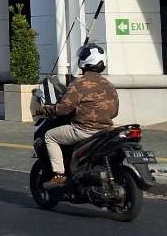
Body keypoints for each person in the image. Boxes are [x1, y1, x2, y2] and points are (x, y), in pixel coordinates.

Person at [38, 42, 118, 188]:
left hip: (83, 131)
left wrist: (47, 109)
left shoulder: (78, 84)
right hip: (105, 132)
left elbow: (63, 109)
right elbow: (114, 112)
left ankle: (59, 174)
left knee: (49, 136)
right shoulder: (109, 85)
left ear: (83, 62)